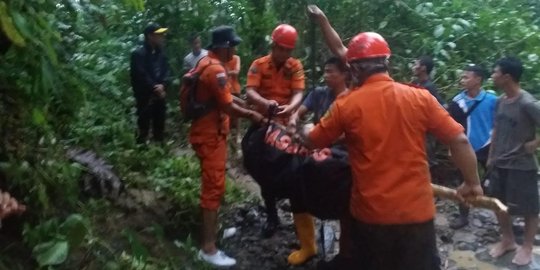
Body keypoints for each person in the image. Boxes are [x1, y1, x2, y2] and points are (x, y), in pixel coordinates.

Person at [306, 5, 483, 270]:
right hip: (417, 214)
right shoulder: (419, 97)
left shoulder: (347, 104)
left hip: (372, 216)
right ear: (387, 63)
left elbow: (314, 142)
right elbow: (459, 140)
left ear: (353, 70)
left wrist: (306, 130)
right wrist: (472, 183)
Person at [189, 25, 264, 267]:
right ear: (223, 47)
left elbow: (229, 99)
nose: (234, 50)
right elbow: (228, 107)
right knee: (212, 190)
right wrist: (252, 115)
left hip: (213, 134)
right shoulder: (216, 71)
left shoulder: (210, 65)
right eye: (232, 46)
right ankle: (208, 249)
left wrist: (248, 105)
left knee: (216, 186)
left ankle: (214, 232)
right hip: (209, 136)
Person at [245, 24, 311, 265]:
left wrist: (290, 108)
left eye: (287, 50)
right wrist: (266, 103)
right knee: (258, 163)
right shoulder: (258, 64)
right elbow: (250, 92)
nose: (283, 54)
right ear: (273, 46)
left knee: (297, 169)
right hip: (264, 121)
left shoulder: (295, 66)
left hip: (288, 123)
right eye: (280, 49)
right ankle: (272, 215)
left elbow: (298, 93)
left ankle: (301, 224)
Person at [289, 56, 353, 269]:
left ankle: (347, 254)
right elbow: (299, 113)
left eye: (331, 72)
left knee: (347, 204)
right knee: (297, 189)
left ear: (345, 74)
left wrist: (322, 137)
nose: (326, 76)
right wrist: (294, 122)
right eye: (324, 71)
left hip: (341, 158)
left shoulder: (352, 98)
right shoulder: (318, 94)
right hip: (315, 153)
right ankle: (308, 246)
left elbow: (353, 133)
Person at [487, 56, 540, 266]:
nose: (493, 75)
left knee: (528, 208)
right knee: (498, 204)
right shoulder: (501, 100)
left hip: (521, 165)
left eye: (495, 72)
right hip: (500, 163)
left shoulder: (527, 103)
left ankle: (527, 246)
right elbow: (497, 129)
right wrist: (491, 156)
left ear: (507, 77)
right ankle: (508, 240)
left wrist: (534, 144)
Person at [448, 64, 498, 229]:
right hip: (464, 148)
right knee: (464, 181)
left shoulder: (492, 100)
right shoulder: (457, 101)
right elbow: (451, 127)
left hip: (487, 146)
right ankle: (463, 216)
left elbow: (497, 125)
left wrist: (495, 150)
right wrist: (452, 148)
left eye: (466, 77)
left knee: (496, 183)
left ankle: (504, 218)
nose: (463, 80)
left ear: (478, 79)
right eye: (462, 77)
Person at [130, 23, 169, 144]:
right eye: (159, 34)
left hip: (160, 94)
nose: (162, 37)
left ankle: (159, 148)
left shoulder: (161, 54)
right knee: (144, 124)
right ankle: (142, 151)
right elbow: (140, 75)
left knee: (160, 123)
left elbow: (167, 71)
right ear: (150, 36)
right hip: (145, 97)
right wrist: (153, 87)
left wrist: (162, 85)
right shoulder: (138, 54)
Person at [225, 54, 243, 156]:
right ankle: (228, 136)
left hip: (235, 89)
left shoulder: (236, 58)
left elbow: (236, 72)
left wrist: (227, 72)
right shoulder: (222, 58)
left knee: (238, 113)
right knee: (226, 113)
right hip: (225, 89)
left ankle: (238, 134)